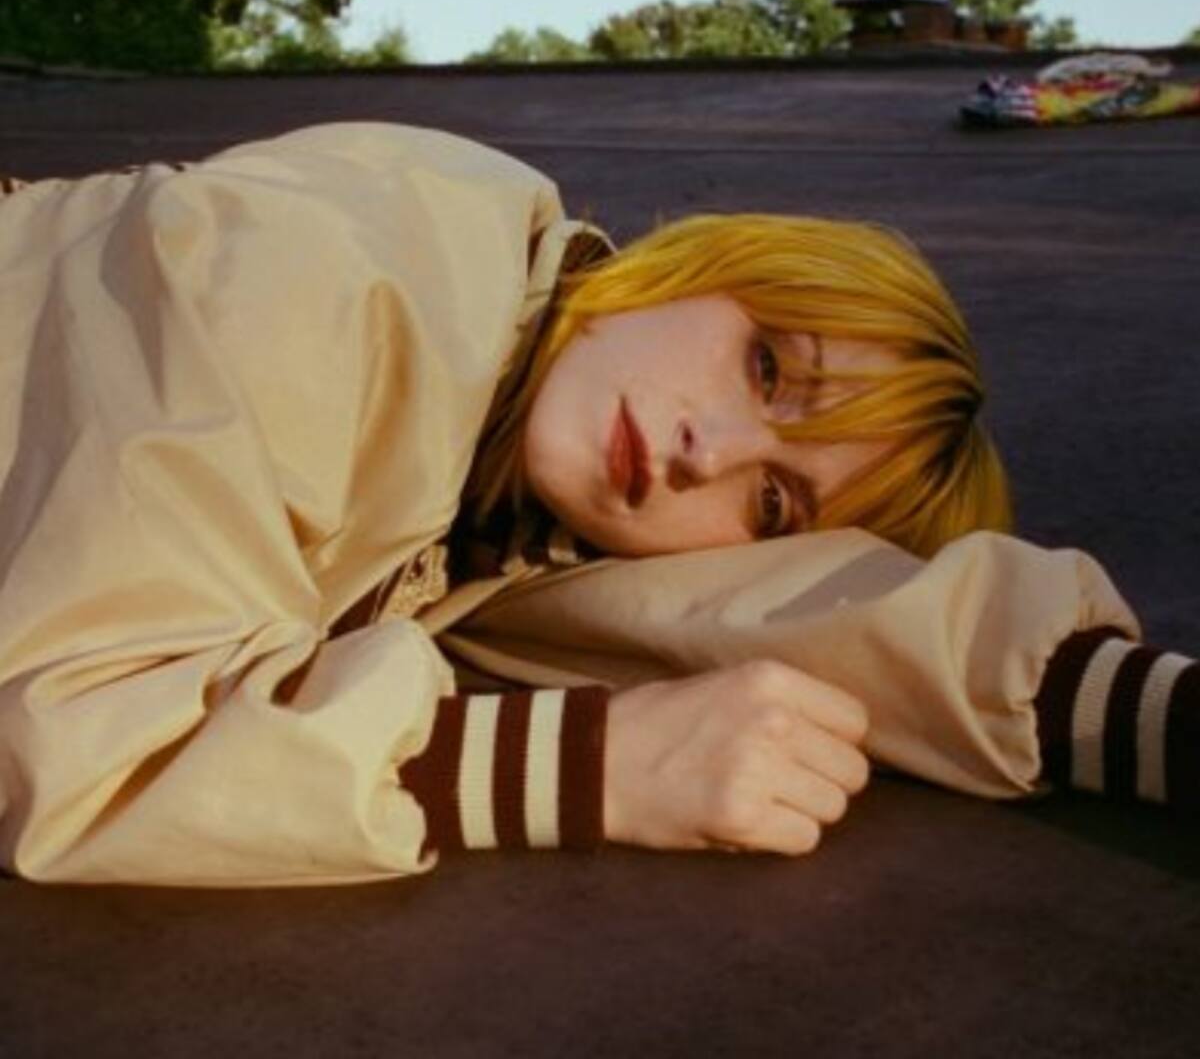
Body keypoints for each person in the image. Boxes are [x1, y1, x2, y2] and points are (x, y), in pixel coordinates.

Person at [0, 122, 1192, 886]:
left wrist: (1141, 714)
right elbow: (78, 742)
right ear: (712, 270)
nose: (705, 453)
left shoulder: (515, 480)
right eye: (767, 365)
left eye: (775, 504)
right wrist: (595, 764)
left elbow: (798, 607)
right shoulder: (336, 271)